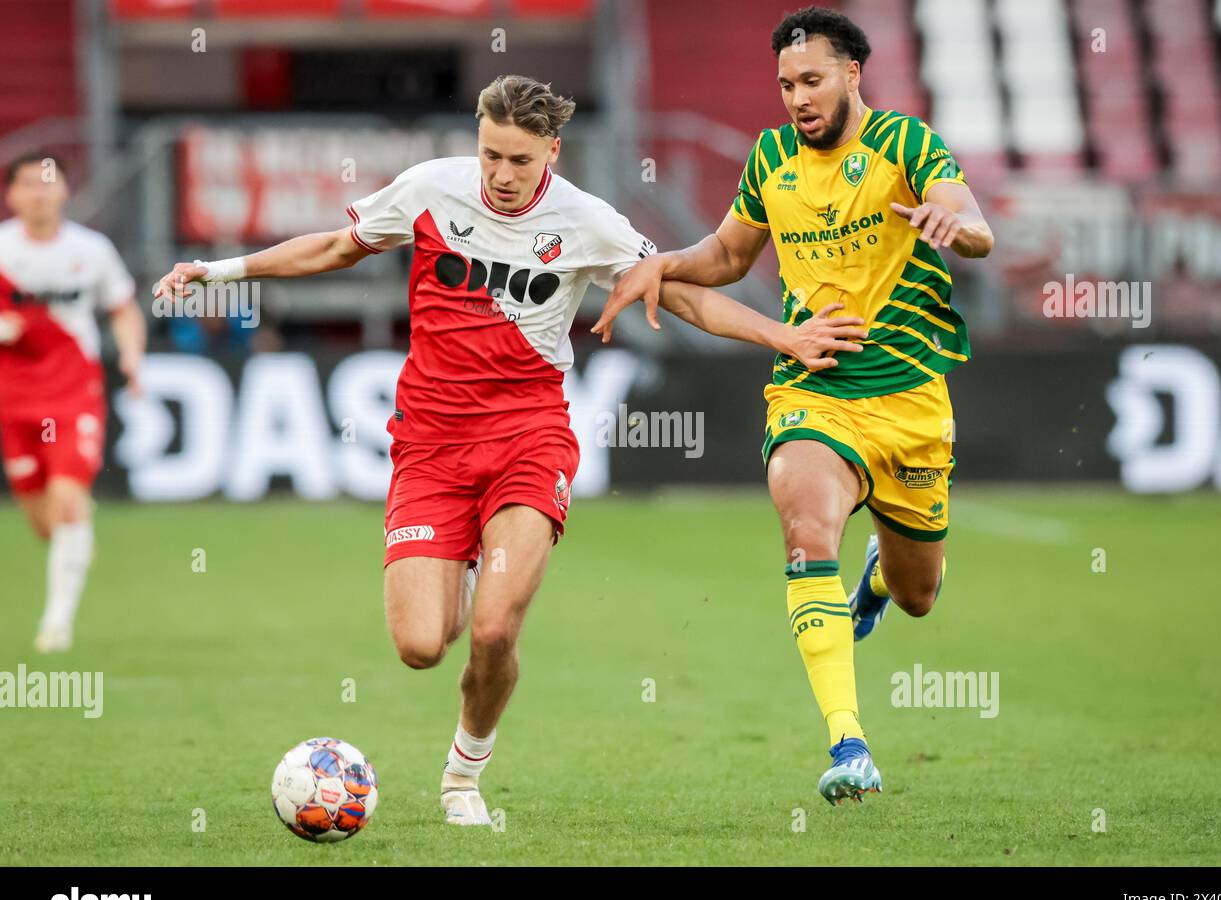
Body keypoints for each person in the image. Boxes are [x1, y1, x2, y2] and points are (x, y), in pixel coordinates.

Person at [156, 74, 865, 825]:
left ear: (552, 152)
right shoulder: (431, 188)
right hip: (429, 443)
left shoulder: (586, 221)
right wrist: (219, 272)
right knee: (422, 645)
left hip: (530, 438)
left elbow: (680, 290)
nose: (499, 173)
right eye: (490, 153)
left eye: (519, 160)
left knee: (494, 629)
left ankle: (462, 777)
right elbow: (335, 246)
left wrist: (781, 335)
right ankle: (459, 564)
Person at [596, 8, 995, 805]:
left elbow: (975, 226)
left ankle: (881, 579)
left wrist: (959, 222)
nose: (797, 99)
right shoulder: (771, 157)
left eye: (812, 80)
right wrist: (658, 262)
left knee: (919, 594)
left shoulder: (906, 145)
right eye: (786, 85)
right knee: (806, 524)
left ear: (853, 74)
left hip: (912, 399)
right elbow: (725, 257)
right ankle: (849, 743)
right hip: (814, 388)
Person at [0, 152, 146, 653]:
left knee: (66, 499)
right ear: (11, 194)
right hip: (12, 397)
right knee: (43, 522)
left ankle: (56, 625)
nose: (39, 193)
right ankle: (75, 536)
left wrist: (131, 358)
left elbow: (123, 309)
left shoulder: (91, 249)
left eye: (49, 183)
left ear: (64, 189)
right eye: (28, 184)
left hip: (73, 391)